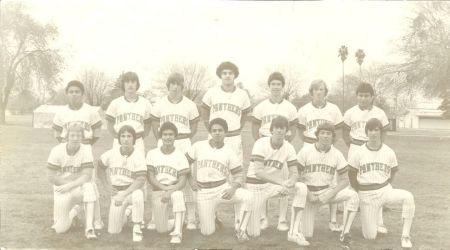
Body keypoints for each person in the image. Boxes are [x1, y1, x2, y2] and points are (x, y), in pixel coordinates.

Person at [348, 118, 415, 248]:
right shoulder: (358, 152)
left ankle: (405, 236)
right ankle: (376, 221)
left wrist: (386, 184)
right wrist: (359, 191)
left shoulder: (388, 151)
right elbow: (351, 174)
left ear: (381, 132)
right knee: (369, 236)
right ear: (366, 132)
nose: (373, 133)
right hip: (366, 194)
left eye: (376, 130)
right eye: (370, 130)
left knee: (408, 197)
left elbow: (393, 171)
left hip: (384, 190)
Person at [201, 61, 252, 228]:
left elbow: (244, 115)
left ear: (235, 75)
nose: (228, 75)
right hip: (214, 137)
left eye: (230, 73)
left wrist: (237, 128)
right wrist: (210, 127)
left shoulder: (242, 94)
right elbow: (204, 111)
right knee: (213, 173)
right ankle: (213, 215)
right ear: (220, 75)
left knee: (235, 177)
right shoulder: (211, 93)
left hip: (233, 137)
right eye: (224, 73)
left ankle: (239, 218)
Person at [186, 118, 253, 241]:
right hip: (204, 192)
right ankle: (213, 219)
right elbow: (184, 164)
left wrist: (233, 188)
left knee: (248, 196)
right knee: (207, 232)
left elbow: (239, 174)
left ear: (225, 133)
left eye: (220, 130)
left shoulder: (229, 151)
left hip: (222, 189)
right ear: (210, 132)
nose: (217, 133)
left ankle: (241, 230)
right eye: (214, 130)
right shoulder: (199, 146)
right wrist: (191, 180)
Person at [246, 116, 309, 246]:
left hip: (272, 186)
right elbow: (258, 172)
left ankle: (294, 231)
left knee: (301, 187)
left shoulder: (289, 147)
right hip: (255, 186)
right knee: (253, 233)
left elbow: (294, 172)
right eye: (276, 128)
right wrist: (281, 182)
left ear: (287, 131)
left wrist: (291, 181)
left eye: (282, 128)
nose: (279, 131)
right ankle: (251, 221)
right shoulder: (260, 143)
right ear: (271, 130)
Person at [52, 80, 104, 231]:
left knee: (90, 185)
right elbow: (56, 131)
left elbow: (98, 132)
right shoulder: (62, 112)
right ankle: (63, 216)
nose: (74, 94)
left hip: (85, 148)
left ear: (82, 94)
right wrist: (65, 144)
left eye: (77, 92)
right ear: (67, 94)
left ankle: (96, 220)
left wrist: (86, 145)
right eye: (71, 92)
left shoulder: (90, 111)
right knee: (64, 183)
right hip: (67, 150)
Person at [149, 72, 200, 230]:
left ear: (182, 86)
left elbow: (194, 127)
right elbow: (154, 124)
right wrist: (163, 139)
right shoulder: (159, 104)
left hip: (183, 140)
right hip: (164, 140)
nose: (175, 87)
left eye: (178, 84)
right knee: (162, 176)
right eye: (172, 84)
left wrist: (182, 138)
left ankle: (191, 218)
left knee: (187, 178)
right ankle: (155, 216)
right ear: (168, 86)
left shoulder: (190, 104)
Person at [297, 122, 359, 246]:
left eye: (329, 134)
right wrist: (309, 194)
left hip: (327, 192)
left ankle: (345, 233)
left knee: (353, 196)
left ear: (332, 137)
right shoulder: (305, 151)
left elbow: (345, 180)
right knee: (307, 234)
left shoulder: (337, 153)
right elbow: (296, 176)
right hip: (310, 195)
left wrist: (330, 193)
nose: (325, 136)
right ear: (317, 135)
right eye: (323, 133)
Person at [251, 72, 298, 231]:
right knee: (264, 182)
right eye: (273, 84)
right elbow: (254, 128)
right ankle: (264, 218)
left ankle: (283, 219)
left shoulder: (290, 107)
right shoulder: (261, 106)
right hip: (265, 144)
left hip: (283, 146)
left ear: (282, 86)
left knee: (284, 183)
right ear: (269, 86)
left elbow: (294, 128)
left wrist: (286, 144)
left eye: (279, 84)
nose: (276, 87)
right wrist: (260, 143)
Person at [297, 79, 344, 232]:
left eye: (321, 89)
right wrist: (310, 142)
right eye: (315, 89)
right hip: (309, 144)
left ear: (325, 92)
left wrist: (329, 142)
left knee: (332, 181)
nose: (318, 92)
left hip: (328, 145)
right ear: (311, 92)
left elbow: (338, 130)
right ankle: (303, 211)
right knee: (305, 178)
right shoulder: (304, 109)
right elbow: (300, 131)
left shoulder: (334, 109)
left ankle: (332, 220)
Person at [343, 82, 390, 233]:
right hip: (356, 147)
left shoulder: (380, 113)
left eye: (366, 96)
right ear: (357, 96)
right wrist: (351, 144)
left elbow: (384, 132)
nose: (363, 98)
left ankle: (379, 222)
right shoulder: (350, 112)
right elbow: (345, 131)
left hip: (374, 148)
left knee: (376, 182)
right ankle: (346, 223)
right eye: (361, 95)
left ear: (372, 97)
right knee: (352, 184)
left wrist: (378, 146)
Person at [47, 124, 97, 239]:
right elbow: (51, 177)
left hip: (77, 186)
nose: (75, 138)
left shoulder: (86, 150)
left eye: (78, 135)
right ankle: (75, 211)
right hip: (62, 188)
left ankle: (89, 228)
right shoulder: (57, 150)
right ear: (67, 137)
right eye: (72, 135)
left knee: (89, 187)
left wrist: (72, 185)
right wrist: (67, 185)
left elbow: (87, 176)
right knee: (60, 229)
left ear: (82, 137)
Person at [97, 125, 147, 242]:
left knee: (138, 195)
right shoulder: (111, 153)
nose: (125, 139)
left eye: (129, 136)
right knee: (114, 231)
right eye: (122, 136)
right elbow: (99, 167)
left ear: (134, 139)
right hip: (116, 192)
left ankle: (137, 227)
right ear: (119, 139)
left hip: (131, 190)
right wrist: (107, 187)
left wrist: (124, 194)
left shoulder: (138, 155)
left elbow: (140, 179)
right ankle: (128, 211)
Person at [146, 122, 190, 244]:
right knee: (161, 230)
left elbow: (183, 181)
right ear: (161, 136)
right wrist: (163, 189)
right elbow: (151, 177)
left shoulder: (180, 155)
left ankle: (177, 232)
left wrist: (170, 190)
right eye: (165, 134)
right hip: (158, 190)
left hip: (174, 188)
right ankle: (177, 220)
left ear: (175, 137)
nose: (168, 137)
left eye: (171, 134)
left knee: (178, 196)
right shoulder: (152, 153)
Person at [105, 71, 152, 153]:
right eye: (127, 82)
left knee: (138, 165)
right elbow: (109, 123)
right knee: (118, 165)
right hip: (120, 141)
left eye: (133, 82)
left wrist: (141, 136)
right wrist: (116, 136)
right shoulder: (115, 102)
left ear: (137, 84)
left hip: (137, 141)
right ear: (123, 84)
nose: (130, 85)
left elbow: (148, 124)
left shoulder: (145, 103)